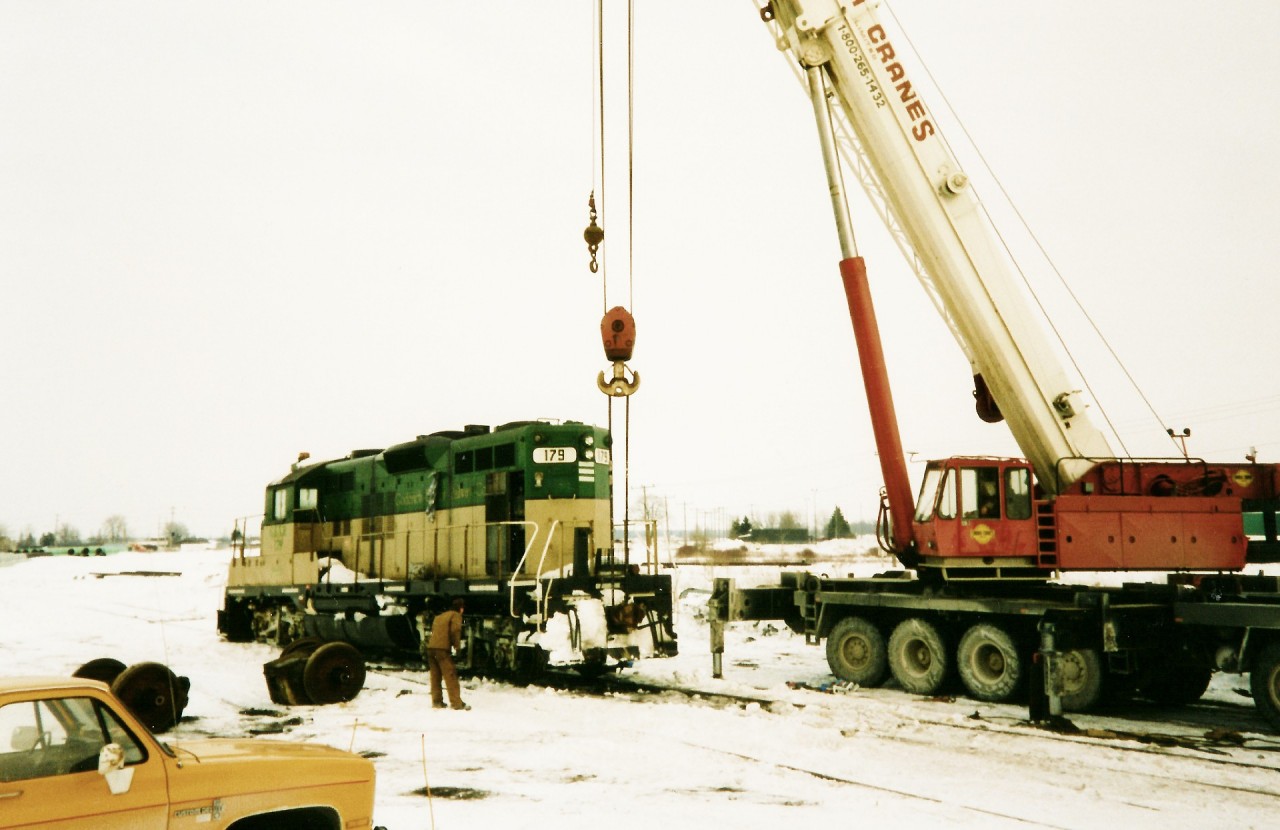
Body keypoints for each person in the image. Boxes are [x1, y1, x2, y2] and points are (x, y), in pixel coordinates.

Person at [427, 598, 470, 710]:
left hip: (431, 648)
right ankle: (456, 703)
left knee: (435, 676)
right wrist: (457, 648)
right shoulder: (456, 615)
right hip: (442, 650)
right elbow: (455, 631)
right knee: (450, 676)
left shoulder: (440, 616)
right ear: (461, 609)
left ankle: (437, 702)